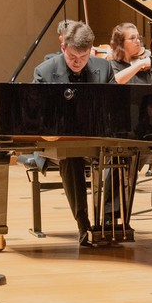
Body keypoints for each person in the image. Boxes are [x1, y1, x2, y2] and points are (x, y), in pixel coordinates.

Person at [33, 21, 115, 246]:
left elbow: (115, 106)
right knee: (72, 157)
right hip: (58, 142)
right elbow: (37, 116)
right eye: (72, 57)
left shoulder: (104, 68)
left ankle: (111, 220)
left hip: (95, 138)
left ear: (90, 51)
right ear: (63, 49)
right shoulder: (45, 72)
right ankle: (84, 224)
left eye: (83, 57)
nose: (77, 62)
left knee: (123, 154)